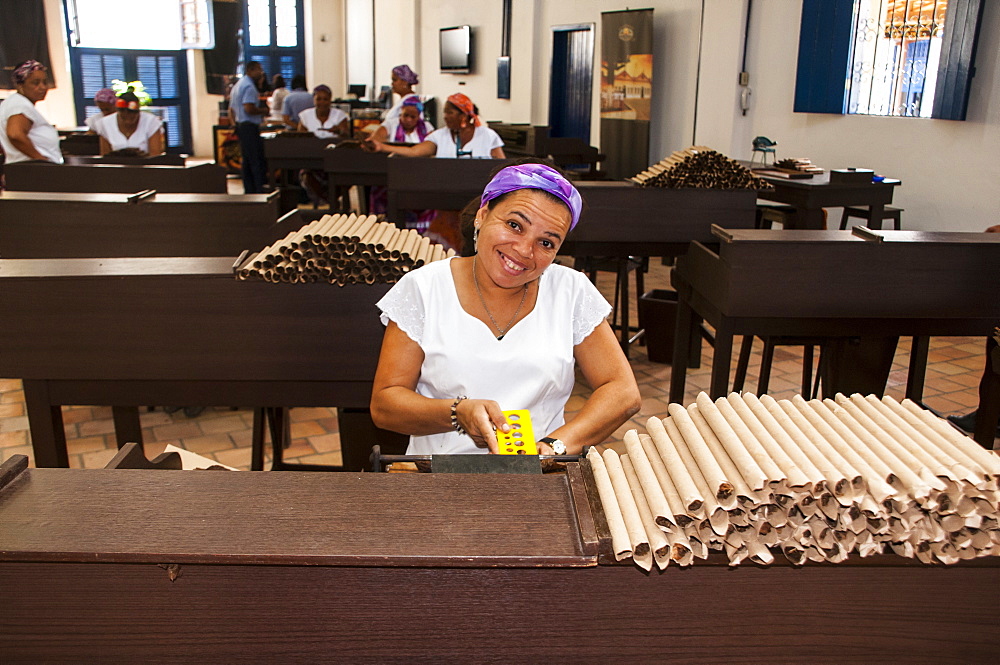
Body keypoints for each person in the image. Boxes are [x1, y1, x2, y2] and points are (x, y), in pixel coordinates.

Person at [371, 163, 641, 455]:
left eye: (546, 242)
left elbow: (622, 392)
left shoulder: (570, 292)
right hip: (440, 475)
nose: (525, 251)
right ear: (483, 215)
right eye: (514, 225)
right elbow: (386, 405)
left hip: (539, 473)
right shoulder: (424, 289)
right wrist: (457, 412)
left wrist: (553, 447)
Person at [365, 93, 504, 159]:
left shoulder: (488, 136)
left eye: (450, 112)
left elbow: (500, 167)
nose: (445, 116)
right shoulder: (439, 136)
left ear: (464, 116)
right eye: (444, 112)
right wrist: (382, 147)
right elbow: (414, 151)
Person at [0, 60, 63, 164]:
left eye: (45, 82)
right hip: (32, 171)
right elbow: (15, 134)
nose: (43, 87)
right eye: (35, 83)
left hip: (24, 169)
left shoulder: (12, 103)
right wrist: (42, 161)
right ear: (20, 85)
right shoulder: (19, 104)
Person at [296, 85, 349, 205]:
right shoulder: (305, 116)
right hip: (312, 156)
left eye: (325, 99)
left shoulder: (339, 115)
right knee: (307, 175)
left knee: (344, 175)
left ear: (330, 99)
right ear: (313, 100)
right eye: (318, 99)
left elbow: (346, 135)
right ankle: (328, 200)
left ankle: (332, 199)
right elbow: (300, 137)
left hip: (335, 157)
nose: (322, 102)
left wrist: (339, 131)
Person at [229, 60, 270, 193]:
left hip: (241, 126)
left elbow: (231, 110)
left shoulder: (238, 85)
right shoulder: (249, 87)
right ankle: (258, 190)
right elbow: (249, 108)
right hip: (249, 127)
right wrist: (264, 111)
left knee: (246, 161)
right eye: (259, 69)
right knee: (255, 161)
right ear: (250, 70)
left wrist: (234, 124)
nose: (261, 72)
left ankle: (249, 190)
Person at [97, 90, 164, 156]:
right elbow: (105, 157)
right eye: (123, 111)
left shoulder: (151, 122)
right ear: (117, 111)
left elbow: (155, 156)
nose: (128, 115)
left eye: (133, 112)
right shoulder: (105, 123)